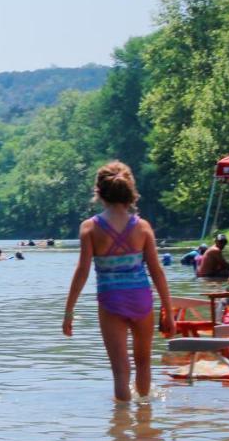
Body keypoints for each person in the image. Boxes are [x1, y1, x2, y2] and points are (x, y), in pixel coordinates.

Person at [62, 161, 174, 402]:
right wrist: (168, 309)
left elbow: (82, 271)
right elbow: (157, 272)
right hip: (142, 300)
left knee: (121, 371)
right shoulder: (142, 227)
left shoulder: (90, 228)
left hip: (111, 301)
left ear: (99, 192)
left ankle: (119, 432)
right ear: (129, 190)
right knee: (144, 364)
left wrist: (69, 310)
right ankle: (146, 423)